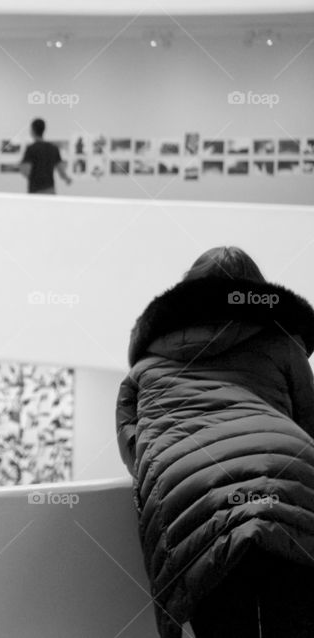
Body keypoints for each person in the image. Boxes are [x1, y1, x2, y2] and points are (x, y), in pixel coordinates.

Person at [116, 246, 314, 638]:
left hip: (192, 496)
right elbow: (308, 421)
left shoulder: (145, 367)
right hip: (287, 479)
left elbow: (134, 447)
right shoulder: (283, 345)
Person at [19, 118, 71, 194]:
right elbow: (61, 170)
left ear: (32, 130)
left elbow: (25, 170)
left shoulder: (31, 149)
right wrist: (67, 179)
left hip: (35, 190)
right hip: (50, 189)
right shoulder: (53, 148)